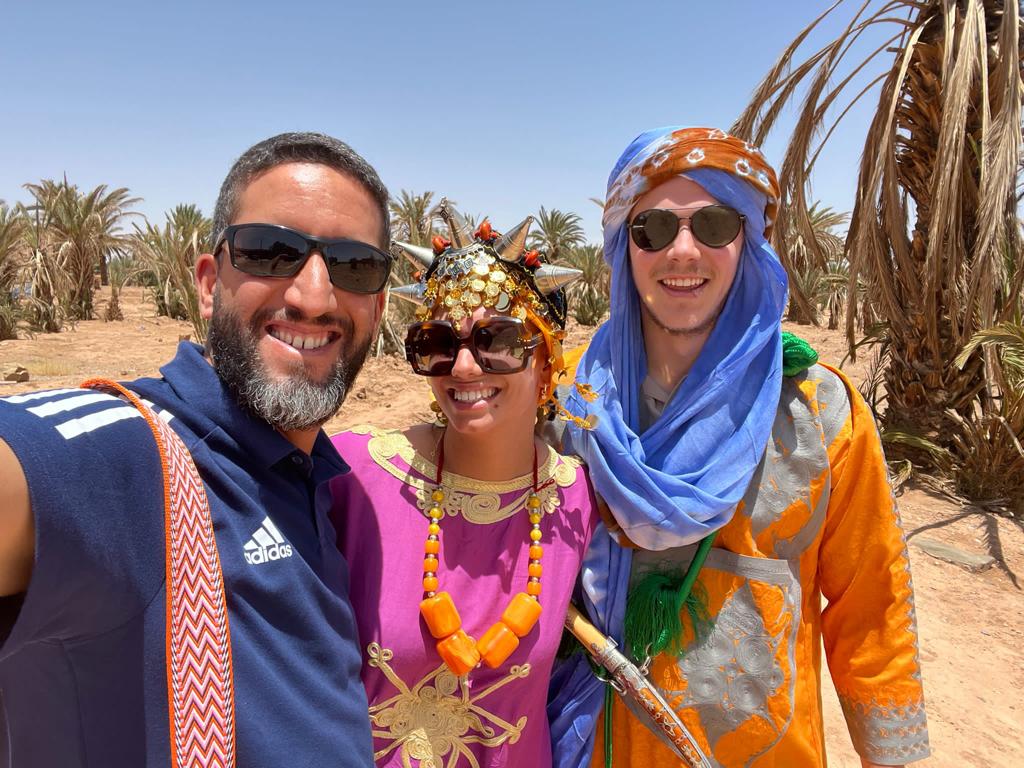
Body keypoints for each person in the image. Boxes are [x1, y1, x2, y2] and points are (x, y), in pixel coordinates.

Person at [0, 132, 393, 767]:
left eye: (354, 266)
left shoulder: (320, 476)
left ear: (378, 305)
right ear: (209, 284)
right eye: (271, 251)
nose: (314, 297)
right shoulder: (132, 457)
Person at [548, 127, 930, 768]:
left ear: (749, 241)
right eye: (653, 229)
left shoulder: (820, 412)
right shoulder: (565, 404)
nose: (684, 251)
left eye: (715, 224)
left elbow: (873, 608)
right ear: (621, 247)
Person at [330, 202, 599, 767]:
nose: (464, 368)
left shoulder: (578, 499)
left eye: (498, 341)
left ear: (546, 361)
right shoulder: (356, 477)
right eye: (438, 343)